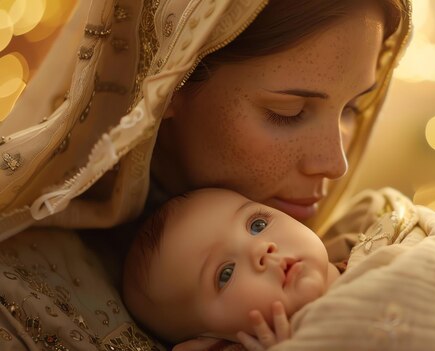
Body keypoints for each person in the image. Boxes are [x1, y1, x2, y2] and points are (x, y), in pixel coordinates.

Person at [0, 1, 412, 350]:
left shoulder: (381, 235)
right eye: (287, 112)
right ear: (168, 84)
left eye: (353, 108)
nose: (335, 164)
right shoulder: (24, 298)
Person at [122, 188, 435, 351]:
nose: (262, 250)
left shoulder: (386, 236)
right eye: (224, 273)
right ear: (207, 343)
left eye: (256, 223)